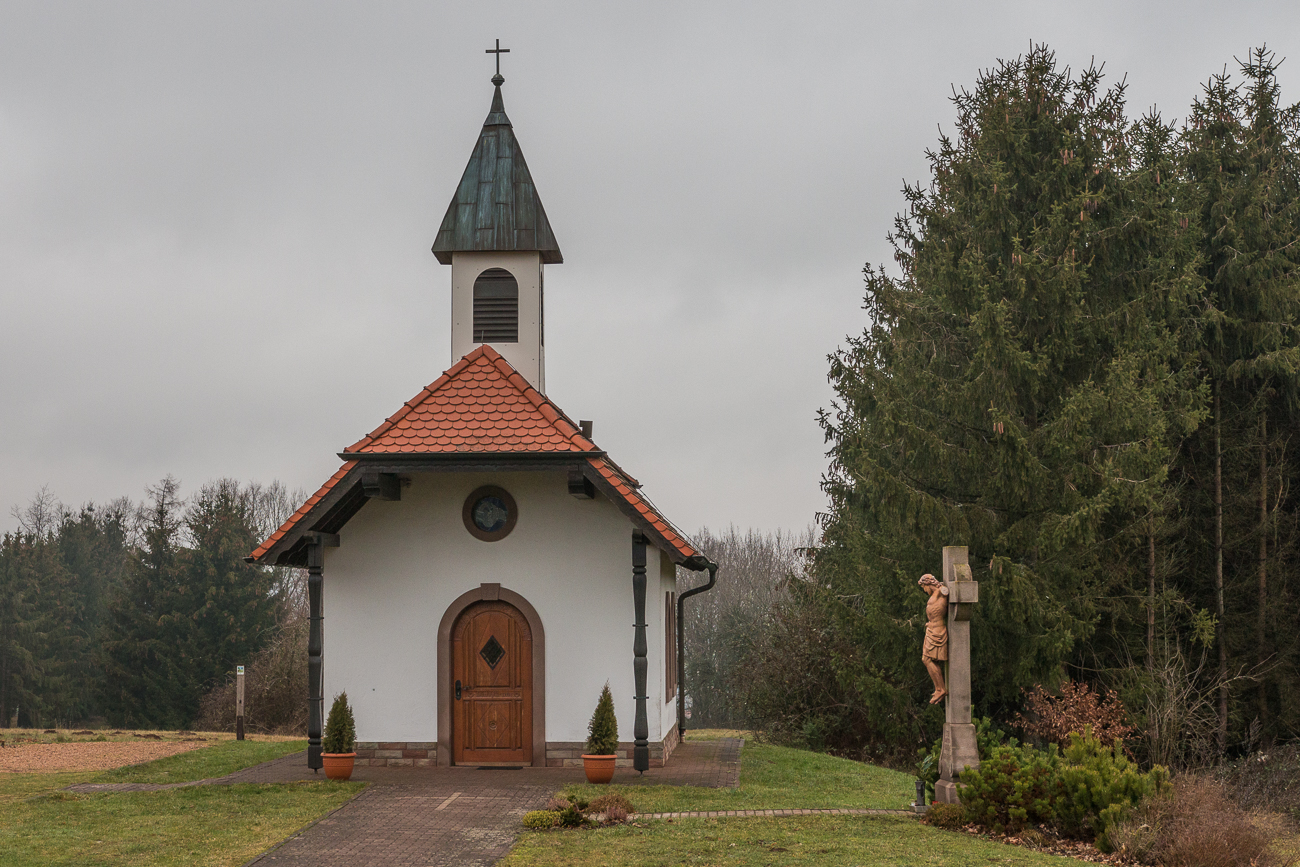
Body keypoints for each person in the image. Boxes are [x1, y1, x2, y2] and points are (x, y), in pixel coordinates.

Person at [919, 573, 949, 704]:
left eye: (924, 587)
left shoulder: (941, 593)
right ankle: (939, 688)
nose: (925, 591)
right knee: (926, 659)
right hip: (932, 630)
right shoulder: (937, 594)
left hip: (936, 632)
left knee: (927, 659)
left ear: (928, 584)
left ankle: (940, 688)